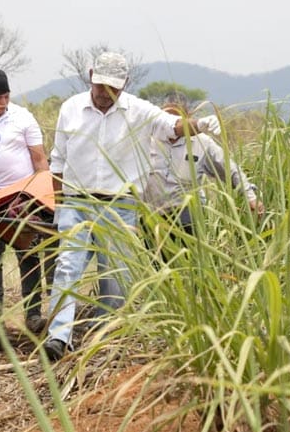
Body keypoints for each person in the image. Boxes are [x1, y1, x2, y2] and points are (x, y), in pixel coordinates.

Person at [42, 51, 222, 361]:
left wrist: (201, 124)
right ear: (90, 76)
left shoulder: (139, 111)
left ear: (124, 84)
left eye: (112, 88)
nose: (104, 94)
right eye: (100, 86)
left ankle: (104, 337)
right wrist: (59, 206)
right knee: (68, 267)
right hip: (77, 201)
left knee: (116, 277)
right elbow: (57, 160)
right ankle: (59, 337)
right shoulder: (70, 108)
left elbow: (174, 126)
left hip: (119, 204)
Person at [0, 68, 50, 334]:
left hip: (23, 198)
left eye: (6, 96)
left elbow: (39, 159)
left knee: (30, 256)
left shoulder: (23, 117)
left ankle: (33, 314)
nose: (2, 103)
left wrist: (43, 198)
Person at [142, 95, 264, 238]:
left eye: (177, 121)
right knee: (155, 257)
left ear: (188, 119)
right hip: (151, 213)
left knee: (185, 248)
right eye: (167, 120)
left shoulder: (203, 143)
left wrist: (251, 197)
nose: (172, 126)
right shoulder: (144, 140)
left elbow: (231, 170)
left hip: (185, 211)